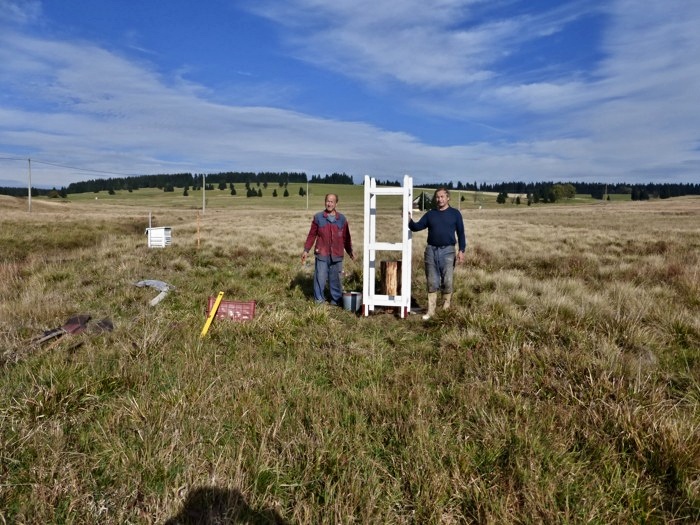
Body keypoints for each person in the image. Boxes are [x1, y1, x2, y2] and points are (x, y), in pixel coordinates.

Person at [408, 187, 466, 319]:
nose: (439, 199)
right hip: (431, 251)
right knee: (432, 281)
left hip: (448, 251)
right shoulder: (430, 214)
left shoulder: (455, 214)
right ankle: (431, 311)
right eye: (437, 197)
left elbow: (461, 233)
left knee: (448, 280)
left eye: (442, 197)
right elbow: (417, 227)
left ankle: (446, 311)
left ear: (447, 198)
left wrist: (462, 250)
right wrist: (409, 220)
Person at [301, 193, 355, 305]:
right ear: (324, 202)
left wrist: (350, 251)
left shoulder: (342, 219)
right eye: (327, 201)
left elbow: (346, 237)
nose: (329, 203)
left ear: (336, 203)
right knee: (319, 278)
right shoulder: (318, 217)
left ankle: (336, 300)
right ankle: (319, 301)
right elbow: (312, 235)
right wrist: (306, 250)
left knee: (336, 279)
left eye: (332, 201)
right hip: (322, 253)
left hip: (337, 254)